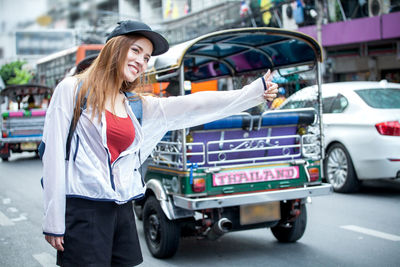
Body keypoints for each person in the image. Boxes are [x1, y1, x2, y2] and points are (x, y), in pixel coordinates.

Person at [41, 20, 278, 266]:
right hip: (84, 209)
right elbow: (54, 158)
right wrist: (54, 221)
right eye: (135, 50)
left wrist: (253, 93)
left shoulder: (134, 105)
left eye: (146, 57)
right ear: (115, 48)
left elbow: (194, 104)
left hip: (123, 210)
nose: (141, 62)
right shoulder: (72, 90)